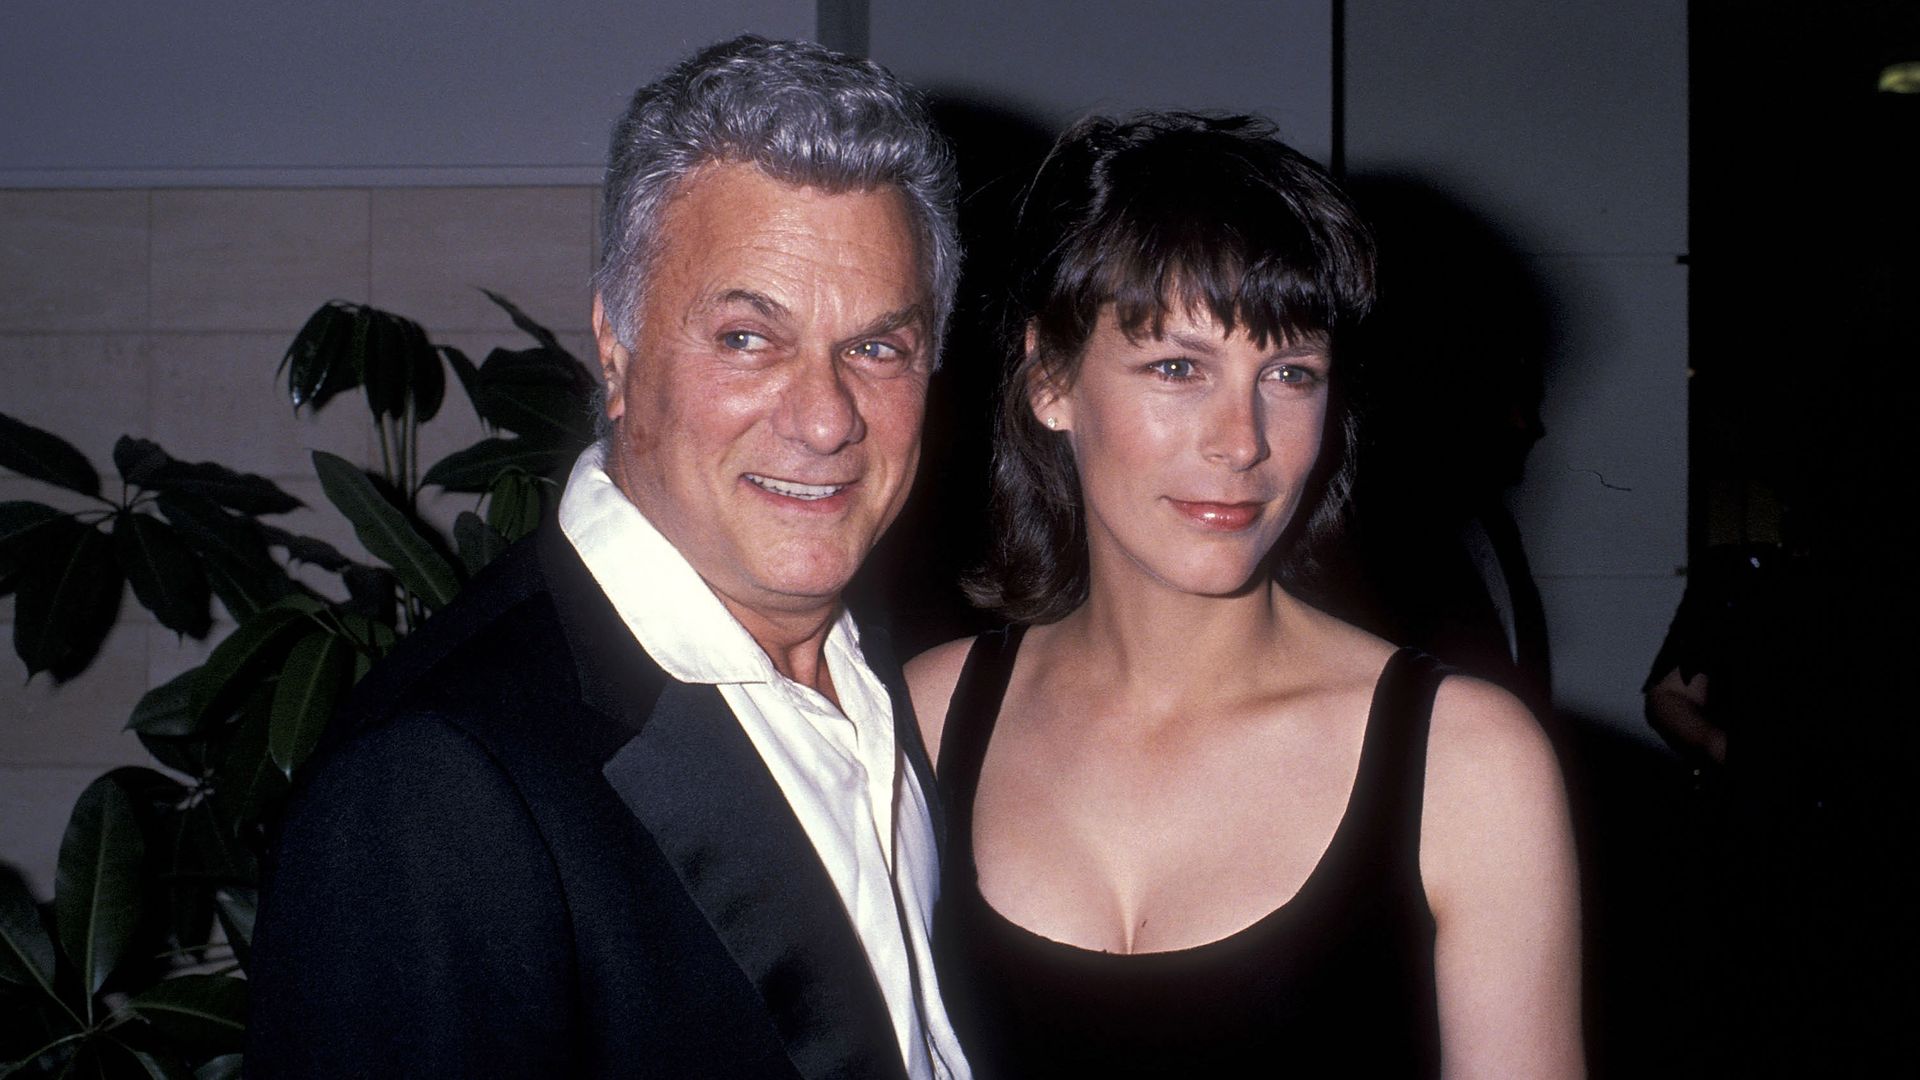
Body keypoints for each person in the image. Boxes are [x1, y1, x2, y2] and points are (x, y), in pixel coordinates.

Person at [248, 36, 970, 1079]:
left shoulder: (895, 687)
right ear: (616, 353)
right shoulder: (434, 791)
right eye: (746, 338)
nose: (824, 419)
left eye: (876, 347)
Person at [906, 113, 1582, 1078]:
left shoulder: (1466, 763)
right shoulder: (919, 721)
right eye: (1177, 368)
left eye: (1290, 373)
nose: (1243, 440)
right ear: (1051, 379)